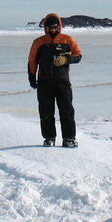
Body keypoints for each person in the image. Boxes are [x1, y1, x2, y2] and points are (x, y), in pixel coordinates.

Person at [27, 13, 82, 147]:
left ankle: (69, 138)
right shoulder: (38, 42)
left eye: (55, 27)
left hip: (62, 81)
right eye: (50, 27)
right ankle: (49, 137)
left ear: (59, 26)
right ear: (45, 27)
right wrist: (32, 77)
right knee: (46, 111)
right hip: (44, 82)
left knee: (67, 110)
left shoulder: (67, 40)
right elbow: (32, 61)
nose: (53, 30)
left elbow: (78, 55)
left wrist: (67, 58)